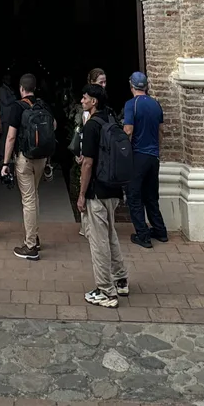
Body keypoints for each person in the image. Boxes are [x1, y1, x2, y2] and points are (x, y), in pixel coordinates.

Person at [76, 83, 131, 308]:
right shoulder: (111, 120)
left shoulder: (91, 126)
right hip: (113, 187)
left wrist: (81, 194)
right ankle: (121, 279)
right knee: (110, 235)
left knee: (98, 241)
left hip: (97, 190)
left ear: (94, 101)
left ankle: (106, 291)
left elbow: (88, 163)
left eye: (85, 97)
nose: (82, 100)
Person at [0, 72, 55, 260]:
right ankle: (34, 236)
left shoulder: (17, 107)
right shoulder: (43, 105)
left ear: (21, 89)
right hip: (41, 158)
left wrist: (5, 162)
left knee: (28, 200)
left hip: (25, 158)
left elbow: (11, 137)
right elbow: (53, 125)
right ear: (34, 88)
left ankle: (30, 246)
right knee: (34, 196)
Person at [123, 71, 168, 247]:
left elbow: (128, 130)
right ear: (146, 86)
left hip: (138, 155)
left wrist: (124, 153)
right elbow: (161, 130)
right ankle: (160, 231)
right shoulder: (156, 104)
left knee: (134, 195)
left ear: (131, 85)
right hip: (153, 156)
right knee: (151, 195)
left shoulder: (131, 104)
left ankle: (142, 235)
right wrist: (157, 150)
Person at [70, 68, 106, 236]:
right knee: (86, 182)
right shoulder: (87, 113)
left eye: (105, 82)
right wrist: (81, 153)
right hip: (91, 154)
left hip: (102, 155)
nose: (103, 85)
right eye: (100, 82)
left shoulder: (105, 109)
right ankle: (87, 226)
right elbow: (84, 134)